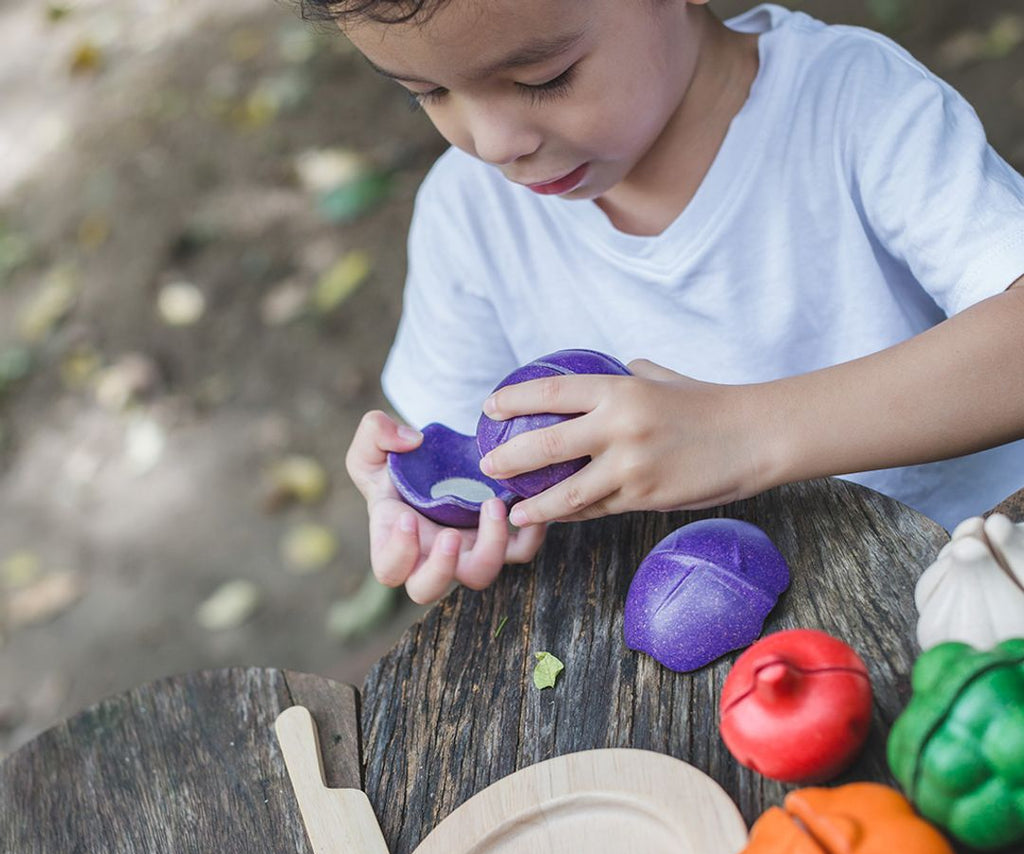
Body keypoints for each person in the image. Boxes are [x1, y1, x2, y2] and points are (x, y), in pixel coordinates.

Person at [324, 0, 1024, 604]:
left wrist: (742, 433)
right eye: (426, 93)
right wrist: (432, 502)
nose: (494, 143)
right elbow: (472, 449)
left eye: (543, 77)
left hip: (974, 582)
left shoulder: (853, 104)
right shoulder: (467, 214)